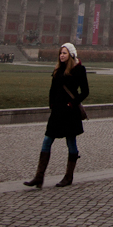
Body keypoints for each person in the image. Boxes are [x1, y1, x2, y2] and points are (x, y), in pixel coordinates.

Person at [24, 42, 88, 189]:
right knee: (47, 140)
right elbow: (53, 89)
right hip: (57, 111)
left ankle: (68, 176)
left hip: (70, 112)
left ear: (71, 55)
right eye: (60, 53)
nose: (61, 55)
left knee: (71, 142)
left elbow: (85, 91)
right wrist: (52, 104)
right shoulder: (58, 69)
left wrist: (71, 104)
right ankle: (39, 177)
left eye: (64, 53)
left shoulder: (79, 69)